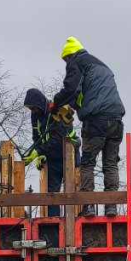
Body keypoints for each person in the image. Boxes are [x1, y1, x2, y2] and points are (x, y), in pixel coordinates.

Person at [52, 37, 126, 217]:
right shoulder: (101, 65)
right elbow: (90, 93)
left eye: (65, 60)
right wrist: (76, 106)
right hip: (116, 119)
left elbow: (71, 89)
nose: (66, 64)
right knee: (110, 164)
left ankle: (88, 205)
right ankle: (111, 206)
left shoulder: (76, 62)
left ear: (69, 55)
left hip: (96, 121)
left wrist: (56, 103)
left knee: (87, 163)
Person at [22, 88, 80, 217]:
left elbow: (59, 139)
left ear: (40, 103)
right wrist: (39, 154)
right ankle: (54, 225)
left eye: (34, 108)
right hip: (52, 159)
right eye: (31, 109)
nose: (33, 111)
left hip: (69, 156)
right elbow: (36, 137)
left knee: (72, 191)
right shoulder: (35, 116)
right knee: (52, 194)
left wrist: (38, 151)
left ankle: (75, 220)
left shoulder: (60, 110)